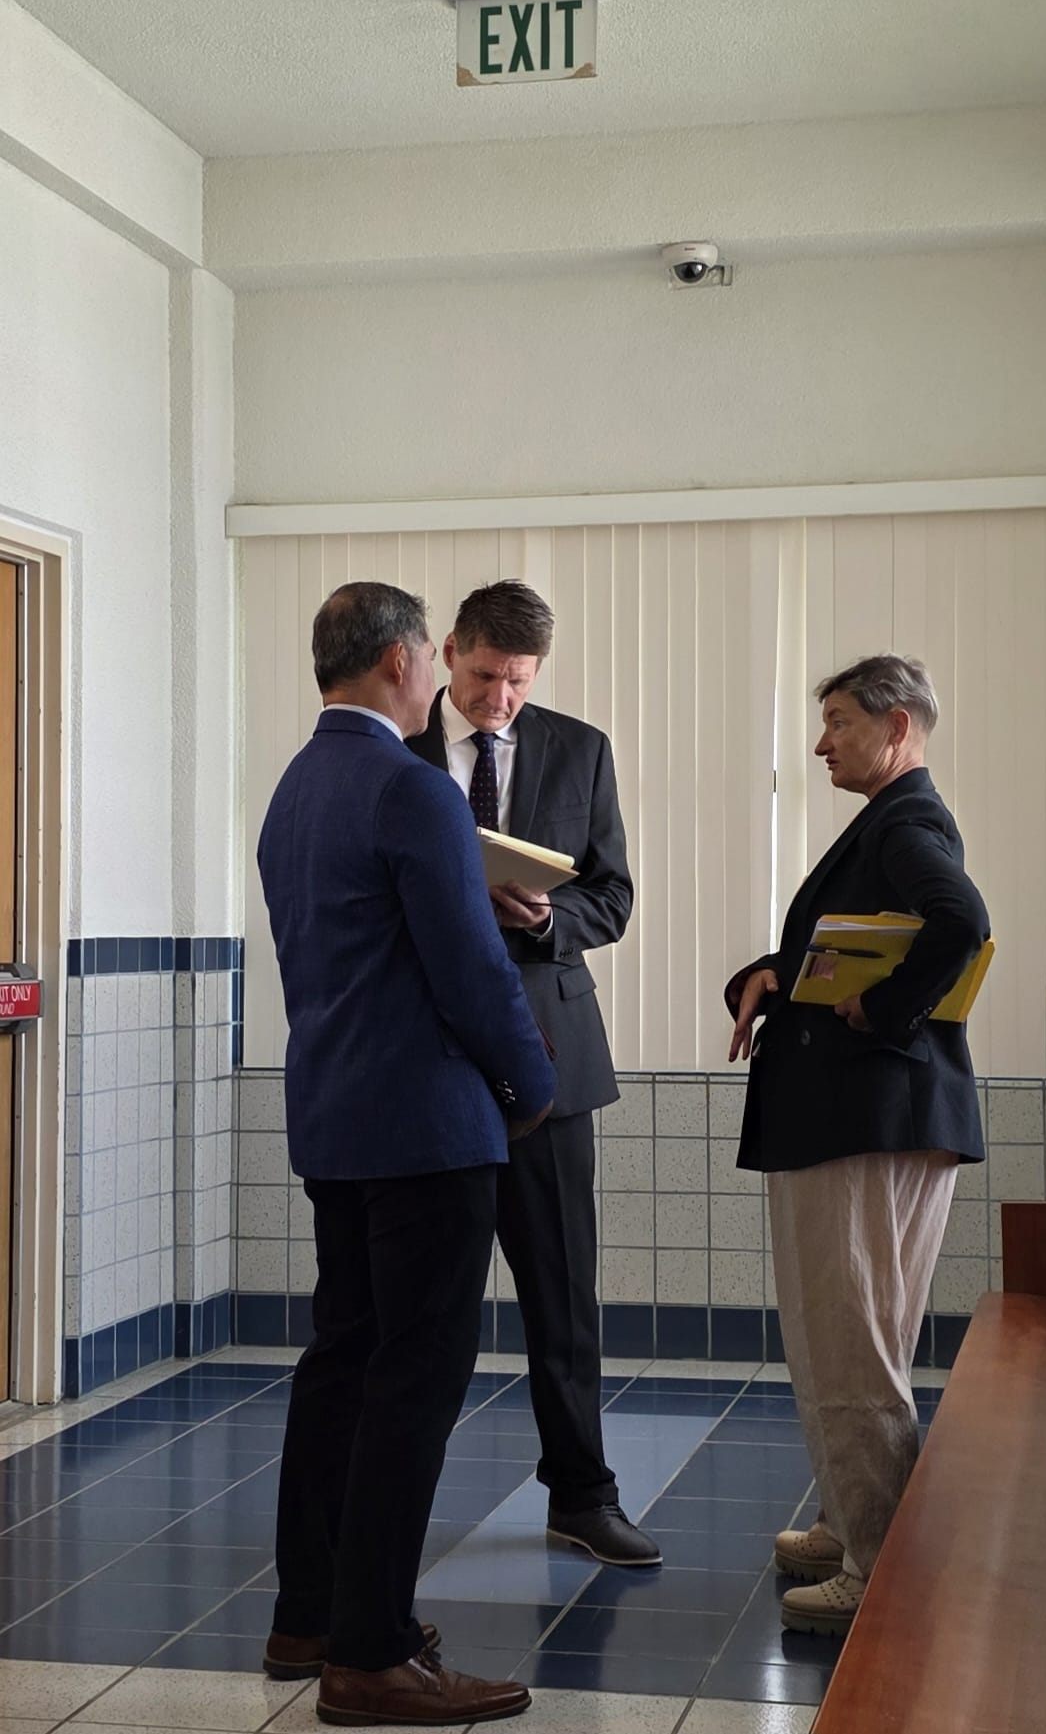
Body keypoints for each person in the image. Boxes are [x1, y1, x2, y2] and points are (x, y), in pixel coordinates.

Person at [257, 581, 555, 1727]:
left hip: (334, 1117)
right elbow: (469, 969)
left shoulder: (295, 787)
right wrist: (529, 1083)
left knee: (341, 1362)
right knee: (410, 1387)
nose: (439, 673)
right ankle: (371, 1653)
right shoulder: (410, 786)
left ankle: (310, 1612)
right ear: (395, 659)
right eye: (432, 654)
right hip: (428, 1130)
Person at [726, 654, 990, 1637]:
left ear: (896, 726)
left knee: (849, 1344)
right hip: (871, 1121)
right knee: (851, 1334)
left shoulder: (908, 820)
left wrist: (879, 1015)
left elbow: (960, 923)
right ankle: (850, 1520)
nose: (820, 741)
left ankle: (874, 1565)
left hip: (860, 1124)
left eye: (837, 720)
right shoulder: (890, 822)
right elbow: (861, 940)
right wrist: (772, 972)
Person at [405, 578, 660, 1567]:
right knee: (429, 1302)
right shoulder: (399, 754)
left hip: (552, 1062)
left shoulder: (579, 748)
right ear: (452, 650)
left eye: (518, 681)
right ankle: (397, 1505)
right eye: (482, 676)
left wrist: (554, 922)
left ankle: (582, 1496)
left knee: (562, 1294)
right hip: (431, 1064)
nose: (499, 698)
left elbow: (615, 897)